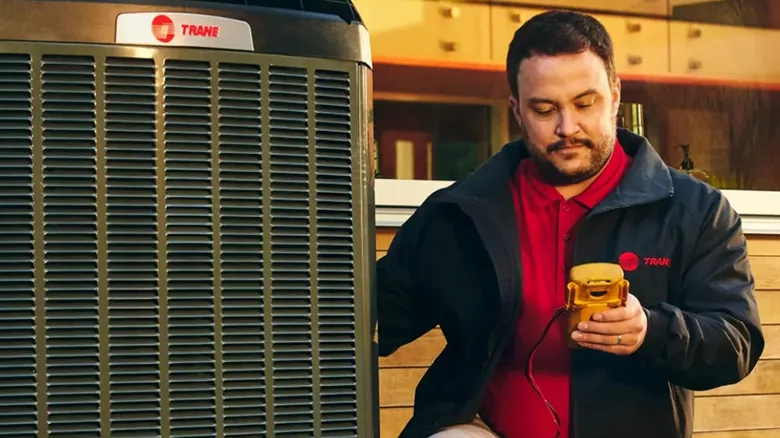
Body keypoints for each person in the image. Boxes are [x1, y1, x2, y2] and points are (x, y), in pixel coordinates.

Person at [375, 9, 765, 438]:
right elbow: (371, 319)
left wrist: (650, 330)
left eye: (585, 103)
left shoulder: (694, 211)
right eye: (544, 109)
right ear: (516, 111)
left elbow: (736, 344)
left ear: (615, 94)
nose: (567, 127)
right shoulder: (459, 213)